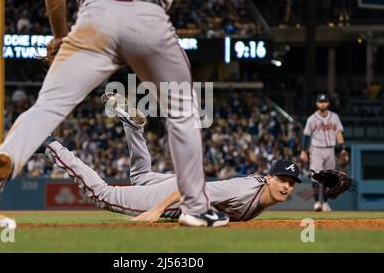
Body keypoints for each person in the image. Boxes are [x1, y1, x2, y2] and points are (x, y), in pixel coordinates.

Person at [0, 0, 221, 226]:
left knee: (47, 107)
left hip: (95, 16)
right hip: (150, 16)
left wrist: (60, 36)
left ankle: (3, 161)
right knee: (182, 110)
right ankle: (195, 207)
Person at [38, 93, 301, 225]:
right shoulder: (245, 190)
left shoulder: (260, 194)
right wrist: (158, 209)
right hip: (177, 192)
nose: (287, 186)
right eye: (282, 179)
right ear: (268, 178)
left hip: (176, 187)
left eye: (291, 182)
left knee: (140, 176)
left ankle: (133, 126)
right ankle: (50, 144)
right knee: (101, 194)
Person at [300, 93, 347, 212]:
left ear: (328, 103)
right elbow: (306, 136)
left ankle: (325, 203)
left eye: (324, 102)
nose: (322, 104)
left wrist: (342, 148)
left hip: (330, 149)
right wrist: (304, 151)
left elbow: (339, 133)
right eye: (320, 102)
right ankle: (317, 203)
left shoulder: (334, 117)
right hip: (316, 149)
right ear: (317, 104)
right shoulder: (312, 119)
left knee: (329, 178)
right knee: (316, 176)